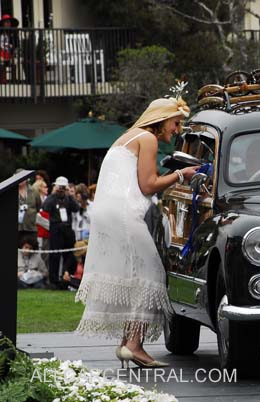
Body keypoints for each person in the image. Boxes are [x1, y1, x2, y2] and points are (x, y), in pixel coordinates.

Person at [75, 96, 198, 369]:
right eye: (176, 123)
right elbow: (148, 185)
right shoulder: (148, 138)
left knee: (134, 275)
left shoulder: (127, 137)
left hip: (108, 213)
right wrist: (182, 175)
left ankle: (128, 343)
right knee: (151, 273)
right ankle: (134, 345)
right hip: (123, 214)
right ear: (162, 119)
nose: (177, 130)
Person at [42, 176, 80, 288]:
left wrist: (70, 195)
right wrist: (53, 193)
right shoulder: (52, 198)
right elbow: (45, 207)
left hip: (67, 229)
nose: (61, 190)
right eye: (60, 187)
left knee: (68, 254)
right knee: (55, 255)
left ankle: (66, 277)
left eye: (63, 187)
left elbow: (76, 208)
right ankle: (53, 280)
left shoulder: (68, 199)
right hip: (56, 229)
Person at [0, 14, 18, 84]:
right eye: (7, 22)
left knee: (14, 61)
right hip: (1, 53)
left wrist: (13, 49)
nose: (8, 24)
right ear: (3, 23)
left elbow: (16, 44)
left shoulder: (13, 33)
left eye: (9, 22)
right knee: (1, 61)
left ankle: (14, 81)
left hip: (10, 53)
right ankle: (3, 81)